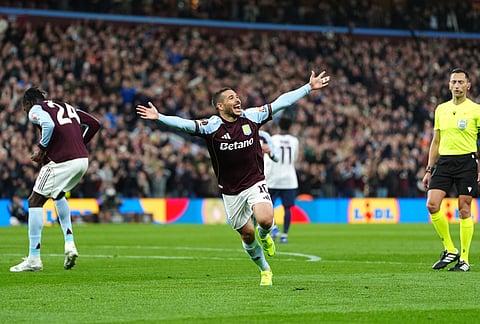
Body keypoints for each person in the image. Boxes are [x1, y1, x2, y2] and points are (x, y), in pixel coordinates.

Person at [137, 70, 330, 285]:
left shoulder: (251, 116)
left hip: (255, 181)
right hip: (230, 191)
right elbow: (185, 124)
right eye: (231, 97)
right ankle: (265, 269)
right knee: (247, 235)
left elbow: (280, 103)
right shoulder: (212, 126)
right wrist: (159, 117)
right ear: (220, 106)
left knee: (265, 219)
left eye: (237, 96)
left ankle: (266, 235)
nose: (237, 99)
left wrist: (307, 87)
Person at [10, 87, 101, 272]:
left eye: (25, 108)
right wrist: (78, 145)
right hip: (82, 160)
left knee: (34, 201)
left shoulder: (35, 109)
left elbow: (49, 126)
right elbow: (94, 123)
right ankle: (69, 244)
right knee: (58, 195)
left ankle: (34, 258)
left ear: (27, 104)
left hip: (63, 162)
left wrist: (41, 149)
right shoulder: (66, 106)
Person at [422, 68, 480, 272]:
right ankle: (450, 249)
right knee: (432, 204)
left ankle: (464, 259)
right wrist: (429, 169)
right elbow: (435, 141)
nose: (456, 85)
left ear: (468, 85)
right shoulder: (441, 109)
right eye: (453, 82)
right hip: (445, 162)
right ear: (449, 85)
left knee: (464, 208)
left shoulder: (476, 110)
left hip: (467, 162)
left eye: (460, 82)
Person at [264, 116, 299, 244]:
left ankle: (273, 228)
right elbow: (294, 158)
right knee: (288, 208)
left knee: (268, 206)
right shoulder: (294, 141)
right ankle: (284, 235)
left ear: (278, 126)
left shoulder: (273, 139)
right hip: (289, 179)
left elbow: (268, 159)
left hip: (273, 178)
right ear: (290, 127)